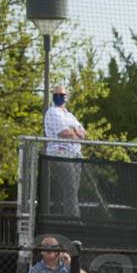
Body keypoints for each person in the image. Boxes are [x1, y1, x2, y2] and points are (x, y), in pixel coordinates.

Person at [43, 84, 86, 217]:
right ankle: (73, 219)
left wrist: (75, 132)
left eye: (61, 95)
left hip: (75, 155)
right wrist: (75, 131)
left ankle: (71, 217)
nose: (58, 97)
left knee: (74, 190)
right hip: (60, 154)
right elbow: (64, 133)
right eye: (56, 95)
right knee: (70, 188)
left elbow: (84, 133)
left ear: (66, 97)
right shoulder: (52, 112)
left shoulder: (69, 115)